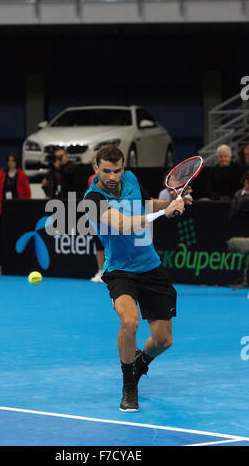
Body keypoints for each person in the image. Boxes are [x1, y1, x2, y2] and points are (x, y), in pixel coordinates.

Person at [83, 145, 190, 412]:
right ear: (96, 168)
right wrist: (162, 214)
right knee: (129, 322)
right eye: (106, 170)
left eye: (117, 170)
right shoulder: (92, 199)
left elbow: (146, 204)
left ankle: (141, 364)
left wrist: (172, 203)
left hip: (151, 268)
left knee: (164, 341)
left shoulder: (130, 180)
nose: (112, 176)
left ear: (123, 169)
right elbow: (122, 223)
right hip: (120, 272)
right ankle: (129, 386)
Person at [0, 153, 31, 266]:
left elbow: (27, 193)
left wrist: (23, 207)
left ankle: (17, 259)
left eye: (13, 161)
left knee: (16, 233)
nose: (10, 163)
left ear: (17, 162)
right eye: (9, 160)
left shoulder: (22, 176)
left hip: (17, 208)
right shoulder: (1, 175)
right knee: (0, 234)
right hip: (3, 208)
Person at [88, 156, 105, 282]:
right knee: (98, 244)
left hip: (112, 214)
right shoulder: (92, 179)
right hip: (96, 216)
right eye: (94, 164)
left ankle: (109, 272)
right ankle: (100, 271)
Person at [228, 170, 249, 238]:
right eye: (246, 180)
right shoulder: (238, 193)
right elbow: (233, 212)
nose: (247, 183)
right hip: (239, 225)